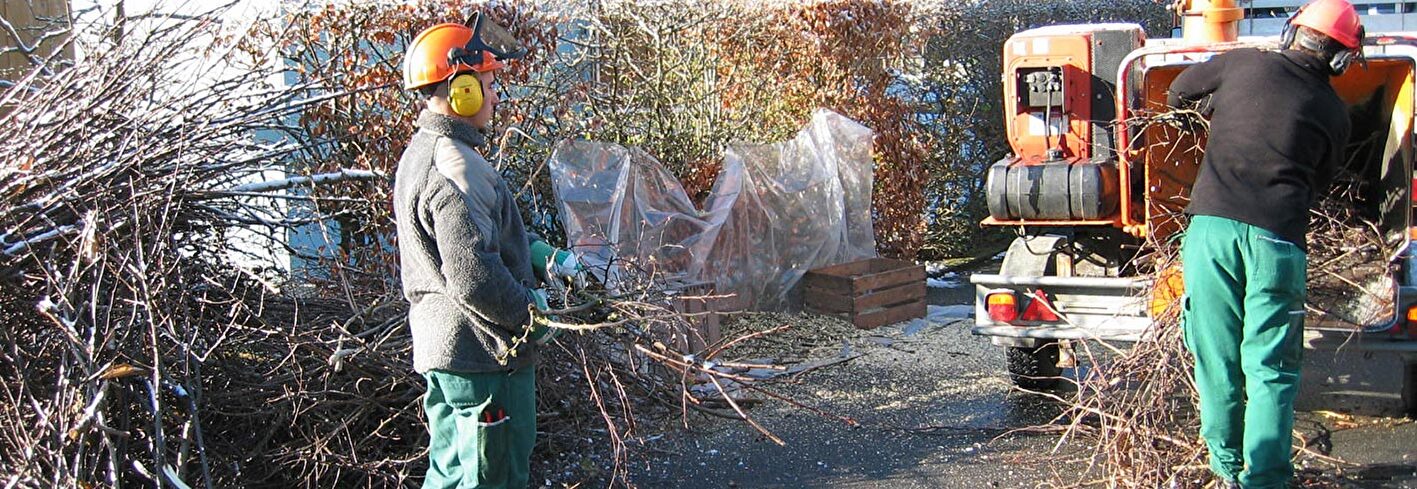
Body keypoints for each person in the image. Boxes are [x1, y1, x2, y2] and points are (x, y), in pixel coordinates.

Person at [1167, 0, 1362, 487]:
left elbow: (1178, 91)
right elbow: (1320, 182)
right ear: (1341, 58)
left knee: (1217, 359)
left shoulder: (1243, 63)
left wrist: (1207, 113)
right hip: (1276, 242)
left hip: (1211, 235)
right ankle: (1267, 480)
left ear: (1291, 33)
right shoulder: (1334, 113)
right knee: (1270, 369)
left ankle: (1226, 468)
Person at [393, 13, 575, 488]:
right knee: (490, 478)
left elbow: (484, 238)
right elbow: (474, 277)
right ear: (462, 91)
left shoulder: (425, 152)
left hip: (453, 354)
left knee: (452, 473)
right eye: (488, 85)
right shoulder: (454, 168)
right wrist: (533, 318)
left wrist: (544, 256)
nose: (495, 96)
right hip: (484, 357)